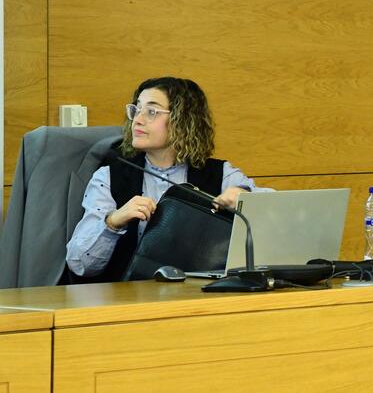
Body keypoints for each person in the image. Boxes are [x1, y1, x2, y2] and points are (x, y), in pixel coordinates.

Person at [66, 77, 268, 281]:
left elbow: (282, 219)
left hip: (202, 297)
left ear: (182, 120)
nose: (138, 119)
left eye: (151, 111)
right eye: (136, 109)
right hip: (128, 300)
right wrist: (113, 222)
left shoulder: (222, 173)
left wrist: (247, 199)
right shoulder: (109, 176)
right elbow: (80, 265)